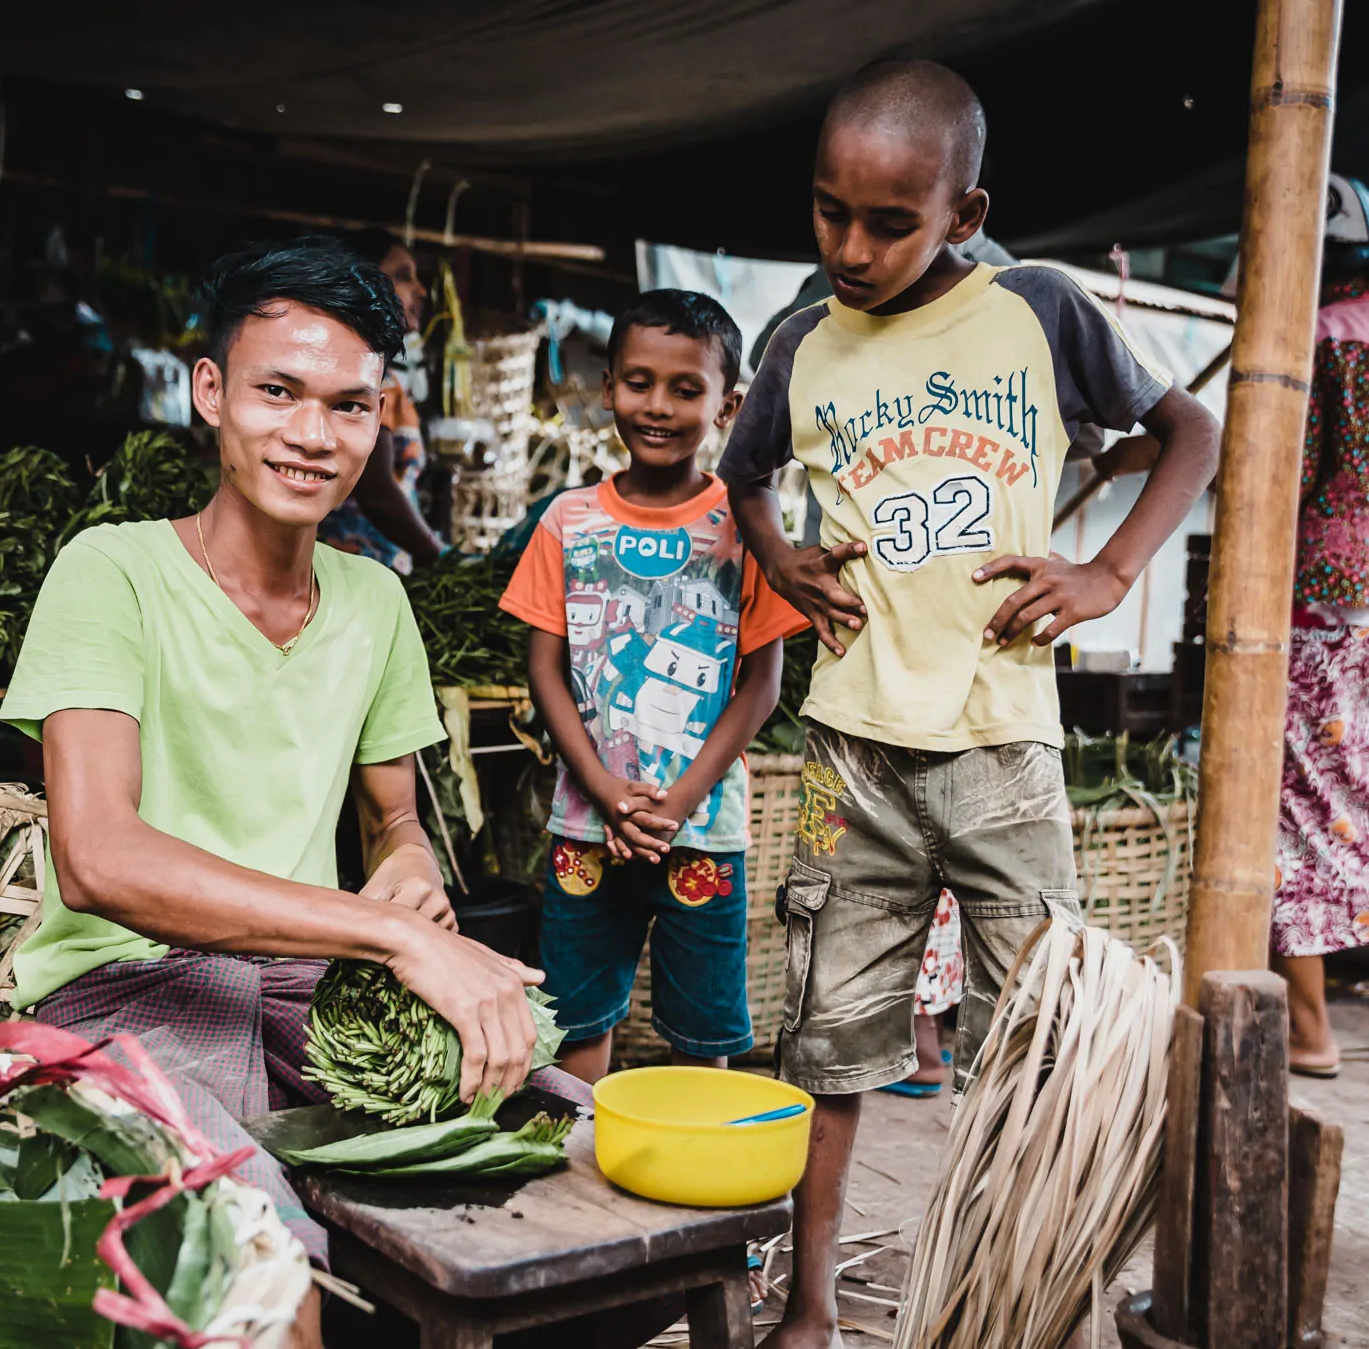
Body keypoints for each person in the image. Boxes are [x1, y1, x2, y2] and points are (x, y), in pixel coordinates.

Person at [717, 60, 1221, 1349]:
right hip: (845, 754)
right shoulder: (797, 342)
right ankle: (811, 1307)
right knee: (826, 1047)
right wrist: (775, 555)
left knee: (1039, 1052)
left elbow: (1189, 432)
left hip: (1004, 748)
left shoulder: (1037, 308)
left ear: (962, 207)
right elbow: (746, 473)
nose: (850, 245)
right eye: (830, 211)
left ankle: (1017, 1313)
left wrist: (1109, 568)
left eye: (890, 220)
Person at [0, 238, 561, 1349]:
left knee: (557, 1148)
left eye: (348, 406)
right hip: (125, 992)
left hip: (311, 987)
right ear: (209, 392)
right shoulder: (108, 572)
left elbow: (391, 813)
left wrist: (404, 862)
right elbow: (99, 858)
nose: (312, 435)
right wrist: (393, 938)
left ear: (378, 414)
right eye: (277, 392)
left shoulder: (375, 601)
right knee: (262, 1265)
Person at [499, 290, 806, 1081]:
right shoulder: (567, 520)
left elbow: (760, 686)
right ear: (607, 388)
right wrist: (603, 788)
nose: (657, 405)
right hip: (583, 826)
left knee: (704, 1038)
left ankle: (693, 1184)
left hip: (701, 831)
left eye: (685, 388)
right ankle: (571, 1185)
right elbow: (545, 669)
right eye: (638, 382)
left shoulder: (747, 529)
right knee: (573, 1022)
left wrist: (675, 804)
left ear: (727, 404)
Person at [1272, 172, 1369, 1080]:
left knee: (1302, 808)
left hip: (1323, 598)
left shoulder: (1326, 337)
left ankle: (1310, 1029)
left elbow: (1286, 474)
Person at [316, 230, 447, 571]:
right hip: (349, 570)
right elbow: (375, 491)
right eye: (404, 277)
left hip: (379, 571)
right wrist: (442, 556)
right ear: (364, 283)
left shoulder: (386, 378)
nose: (421, 290)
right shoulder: (360, 377)